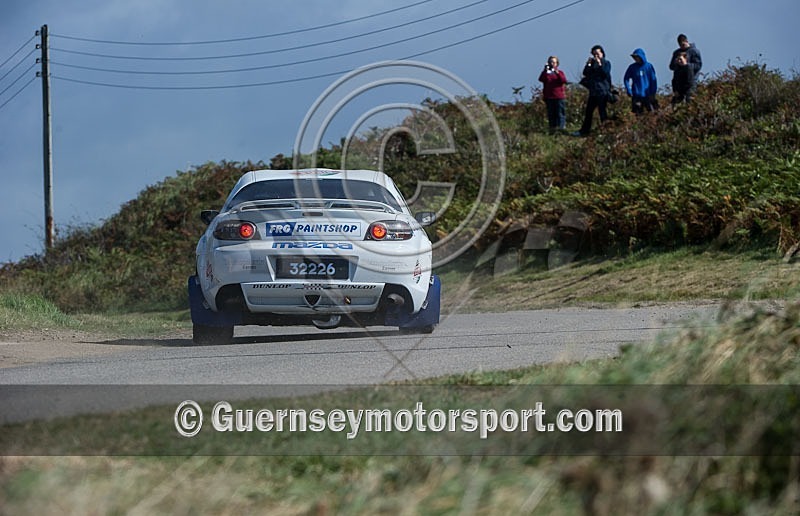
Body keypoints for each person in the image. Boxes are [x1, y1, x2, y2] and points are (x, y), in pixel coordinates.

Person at [574, 45, 612, 136]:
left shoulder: (606, 63)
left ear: (602, 53)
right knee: (588, 112)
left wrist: (599, 64)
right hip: (593, 92)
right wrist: (588, 64)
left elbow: (605, 73)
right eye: (594, 54)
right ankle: (584, 131)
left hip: (603, 92)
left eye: (597, 54)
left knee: (602, 112)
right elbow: (585, 73)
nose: (596, 56)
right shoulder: (592, 64)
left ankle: (605, 131)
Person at [538, 55, 568, 132]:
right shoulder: (546, 73)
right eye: (551, 62)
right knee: (551, 114)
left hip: (559, 96)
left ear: (557, 63)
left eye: (554, 62)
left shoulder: (560, 72)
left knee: (560, 114)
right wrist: (545, 70)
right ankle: (552, 129)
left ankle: (561, 129)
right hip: (549, 97)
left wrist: (557, 73)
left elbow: (564, 80)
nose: (552, 64)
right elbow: (541, 79)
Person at [623, 48, 658, 114]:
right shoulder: (632, 67)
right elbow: (626, 79)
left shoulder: (649, 66)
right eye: (634, 57)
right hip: (636, 95)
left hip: (648, 95)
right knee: (637, 114)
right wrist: (628, 89)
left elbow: (653, 80)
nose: (635, 59)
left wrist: (653, 93)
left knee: (651, 114)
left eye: (637, 57)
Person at [669, 34, 702, 101]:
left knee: (689, 99)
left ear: (686, 41)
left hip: (691, 80)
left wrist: (686, 65)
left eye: (683, 45)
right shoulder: (676, 53)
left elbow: (698, 66)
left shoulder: (694, 51)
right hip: (678, 81)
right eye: (680, 45)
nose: (682, 47)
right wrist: (676, 63)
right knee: (676, 101)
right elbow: (671, 67)